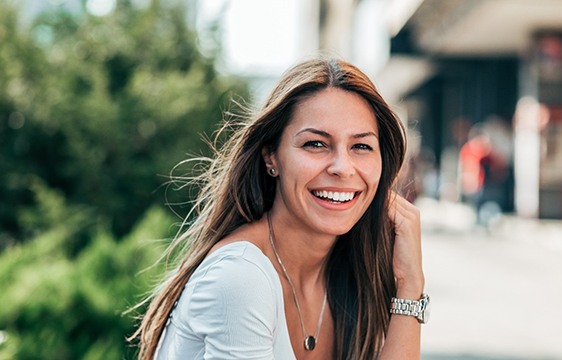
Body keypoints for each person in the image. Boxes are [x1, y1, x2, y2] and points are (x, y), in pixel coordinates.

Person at [130, 57, 429, 359]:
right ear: (271, 156)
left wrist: (410, 283)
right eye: (316, 144)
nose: (343, 167)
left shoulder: (349, 271)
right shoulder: (241, 276)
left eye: (361, 146)